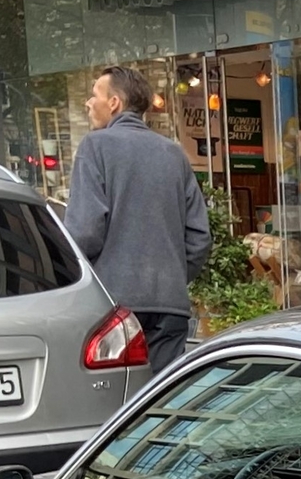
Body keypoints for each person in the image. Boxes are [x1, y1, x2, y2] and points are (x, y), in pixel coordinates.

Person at [65, 63, 212, 370]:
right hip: (170, 306)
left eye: (94, 95)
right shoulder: (173, 153)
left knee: (117, 403)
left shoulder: (95, 146)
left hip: (113, 306)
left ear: (114, 103)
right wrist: (172, 276)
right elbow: (199, 238)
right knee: (160, 404)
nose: (89, 103)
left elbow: (86, 231)